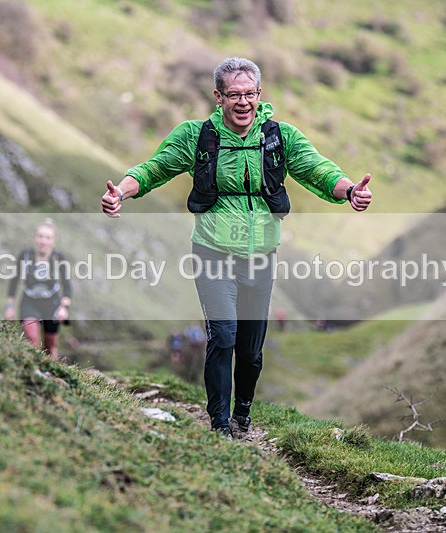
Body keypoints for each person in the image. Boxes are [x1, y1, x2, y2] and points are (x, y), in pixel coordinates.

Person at [101, 57, 372, 439]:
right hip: (212, 253)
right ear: (218, 97)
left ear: (259, 94)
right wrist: (121, 192)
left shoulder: (280, 137)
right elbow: (154, 168)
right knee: (223, 336)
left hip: (260, 257)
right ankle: (219, 423)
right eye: (233, 95)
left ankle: (242, 411)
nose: (242, 102)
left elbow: (317, 169)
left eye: (249, 94)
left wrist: (349, 191)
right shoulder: (196, 137)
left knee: (250, 350)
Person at [5, 218, 72, 360]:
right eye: (40, 236)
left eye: (48, 238)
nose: (43, 241)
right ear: (35, 238)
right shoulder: (25, 255)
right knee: (32, 340)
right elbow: (14, 281)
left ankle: (51, 372)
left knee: (50, 348)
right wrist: (9, 307)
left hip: (52, 304)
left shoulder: (58, 258)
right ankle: (31, 369)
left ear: (53, 241)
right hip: (29, 302)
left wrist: (64, 308)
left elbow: (67, 286)